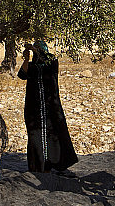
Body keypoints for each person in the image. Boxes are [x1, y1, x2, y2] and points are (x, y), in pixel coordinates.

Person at [18, 40, 78, 173]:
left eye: (39, 48)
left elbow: (46, 60)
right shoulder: (33, 65)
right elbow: (22, 74)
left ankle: (56, 162)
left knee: (55, 132)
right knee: (35, 135)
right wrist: (27, 58)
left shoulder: (51, 61)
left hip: (51, 105)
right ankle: (39, 165)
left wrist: (33, 49)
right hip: (34, 106)